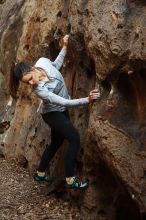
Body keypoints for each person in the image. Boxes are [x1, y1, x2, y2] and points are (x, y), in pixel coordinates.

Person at [8, 35, 100, 189]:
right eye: (27, 82)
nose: (31, 83)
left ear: (33, 69)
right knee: (74, 138)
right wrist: (87, 100)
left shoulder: (43, 62)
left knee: (57, 142)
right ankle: (71, 179)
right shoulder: (40, 90)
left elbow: (55, 65)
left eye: (30, 78)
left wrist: (64, 46)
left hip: (61, 110)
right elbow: (63, 102)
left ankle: (40, 173)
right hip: (51, 114)